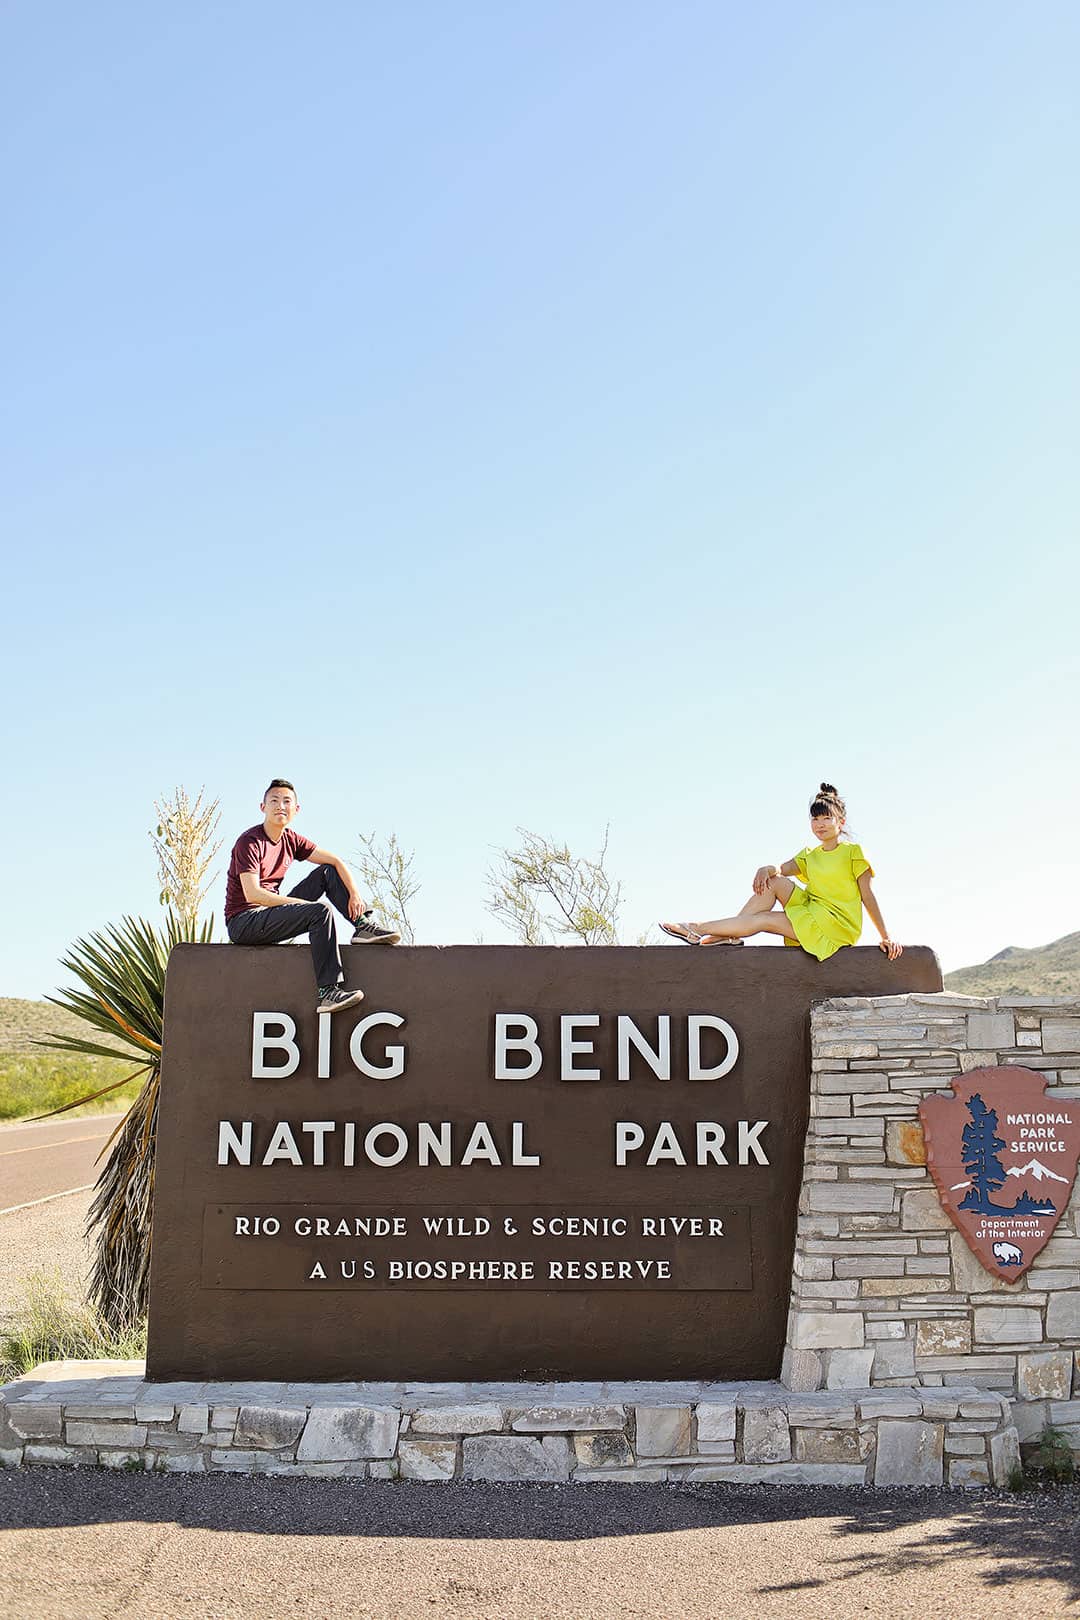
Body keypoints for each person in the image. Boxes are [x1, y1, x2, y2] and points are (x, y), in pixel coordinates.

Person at [660, 782, 903, 961]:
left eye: (827, 818)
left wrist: (886, 935)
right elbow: (782, 869)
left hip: (835, 925)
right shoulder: (810, 854)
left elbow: (868, 896)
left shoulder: (853, 852)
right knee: (773, 881)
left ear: (841, 821)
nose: (819, 824)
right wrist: (766, 868)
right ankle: (731, 935)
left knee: (764, 920)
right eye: (815, 819)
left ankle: (696, 928)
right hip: (813, 909)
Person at [224, 779, 400, 1013]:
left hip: (269, 914)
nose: (280, 806)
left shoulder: (290, 839)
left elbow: (335, 861)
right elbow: (254, 894)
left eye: (287, 801)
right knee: (320, 911)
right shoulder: (250, 842)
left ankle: (362, 925)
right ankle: (328, 992)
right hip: (244, 921)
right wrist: (299, 904)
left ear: (296, 810)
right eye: (274, 800)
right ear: (262, 807)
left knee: (326, 872)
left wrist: (355, 896)